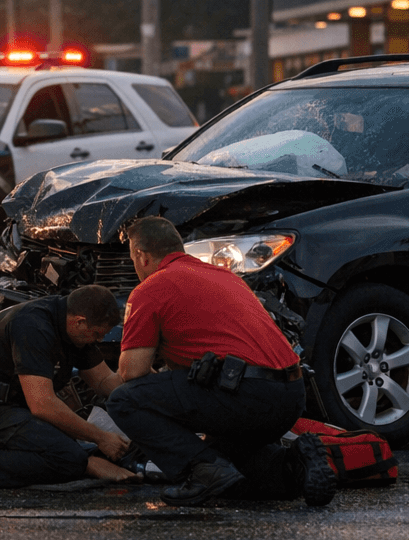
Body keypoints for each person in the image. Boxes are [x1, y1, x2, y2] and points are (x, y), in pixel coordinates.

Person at [107, 216, 336, 506]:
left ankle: (202, 472)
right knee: (234, 476)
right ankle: (295, 464)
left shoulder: (151, 288)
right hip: (289, 395)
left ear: (140, 255)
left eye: (133, 259)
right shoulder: (224, 276)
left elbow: (132, 372)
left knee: (125, 400)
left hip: (244, 394)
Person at [0, 285, 138, 488]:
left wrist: (142, 380)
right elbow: (42, 405)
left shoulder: (75, 330)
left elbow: (104, 381)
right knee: (68, 458)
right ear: (79, 321)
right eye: (97, 334)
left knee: (78, 449)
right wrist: (100, 438)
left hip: (10, 409)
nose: (98, 341)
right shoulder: (34, 326)